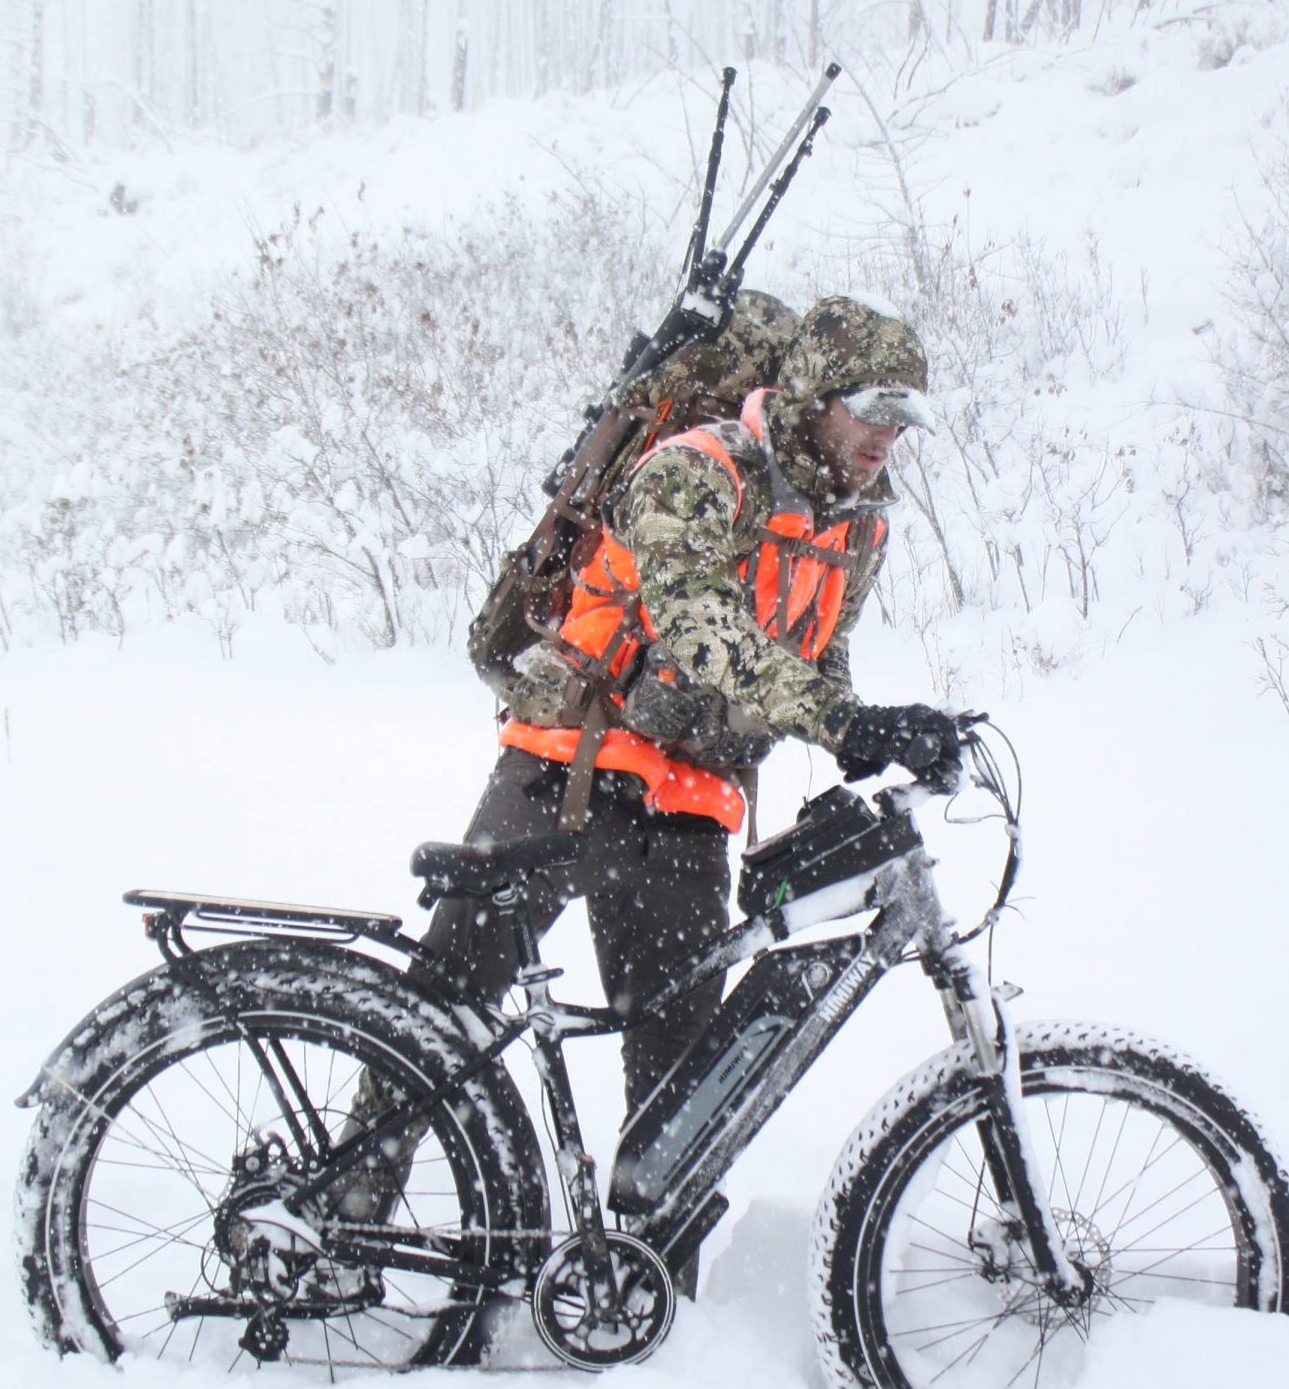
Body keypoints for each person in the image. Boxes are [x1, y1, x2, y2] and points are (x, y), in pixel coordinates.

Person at [375, 297, 961, 1286]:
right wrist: (839, 719)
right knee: (439, 1017)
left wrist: (869, 735)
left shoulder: (859, 526)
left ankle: (648, 1313)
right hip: (565, 769)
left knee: (681, 1094)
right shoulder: (697, 468)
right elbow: (696, 627)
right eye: (872, 409)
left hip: (691, 808)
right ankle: (338, 1218)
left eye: (903, 419)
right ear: (816, 395)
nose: (885, 436)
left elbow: (821, 650)